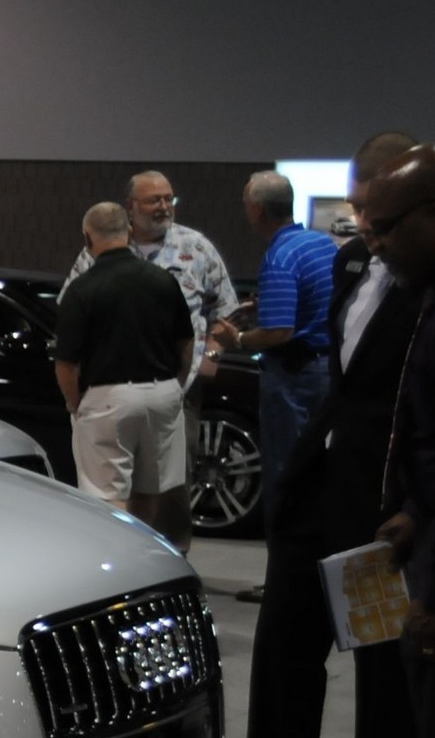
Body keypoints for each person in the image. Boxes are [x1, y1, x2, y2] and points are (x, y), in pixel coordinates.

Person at [226, 134, 422, 738]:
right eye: (362, 191)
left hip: (382, 499)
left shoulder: (429, 281)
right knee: (282, 647)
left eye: (381, 197)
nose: (367, 209)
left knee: (379, 670)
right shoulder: (349, 263)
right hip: (320, 484)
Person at [360, 143, 435, 738]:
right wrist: (414, 514)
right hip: (432, 538)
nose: (375, 242)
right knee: (434, 737)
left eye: (389, 227)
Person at [68, 171, 241, 550]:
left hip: (177, 387)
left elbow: (227, 309)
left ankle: (172, 556)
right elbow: (71, 308)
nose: (164, 207)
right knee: (114, 482)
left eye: (169, 199)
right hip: (110, 385)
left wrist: (212, 352)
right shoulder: (99, 251)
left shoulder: (195, 247)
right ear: (130, 206)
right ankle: (123, 557)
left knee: (171, 481)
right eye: (154, 200)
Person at [53, 201, 194, 537]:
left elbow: (66, 363)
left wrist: (75, 405)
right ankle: (144, 561)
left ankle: (119, 564)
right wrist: (176, 384)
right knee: (149, 489)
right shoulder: (163, 280)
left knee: (108, 495)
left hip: (109, 398)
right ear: (129, 232)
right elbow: (186, 343)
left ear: (87, 237)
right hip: (162, 393)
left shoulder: (82, 289)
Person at [212, 171, 339, 498]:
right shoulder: (321, 243)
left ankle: (286, 547)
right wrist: (264, 303)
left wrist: (236, 340)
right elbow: (317, 300)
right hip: (327, 368)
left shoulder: (279, 258)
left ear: (257, 210)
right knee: (320, 470)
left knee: (286, 473)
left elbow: (279, 332)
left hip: (293, 379)